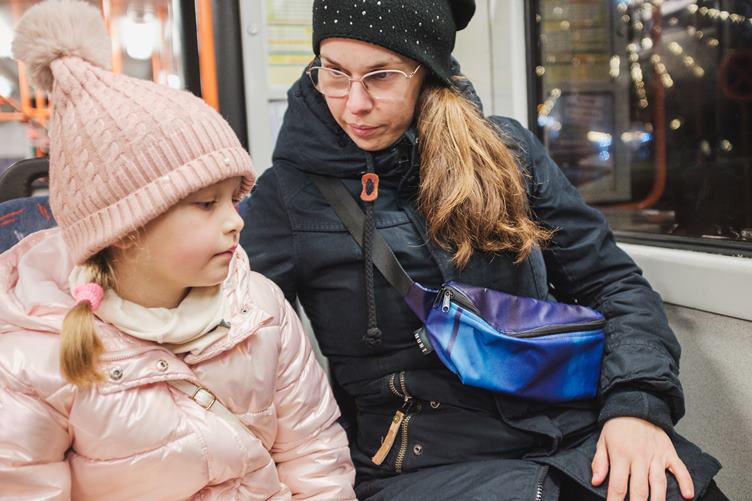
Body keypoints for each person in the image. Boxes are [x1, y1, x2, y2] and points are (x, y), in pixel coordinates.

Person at [240, 1, 726, 500]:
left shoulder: (506, 152)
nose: (354, 103)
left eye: (380, 76)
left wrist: (635, 407)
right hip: (417, 463)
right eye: (335, 73)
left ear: (425, 72)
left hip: (566, 429)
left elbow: (613, 284)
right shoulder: (290, 198)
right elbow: (240, 346)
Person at [0, 2, 355, 499]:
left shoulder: (261, 310)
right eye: (206, 204)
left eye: (234, 199)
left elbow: (314, 455)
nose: (235, 221)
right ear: (125, 229)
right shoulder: (31, 360)